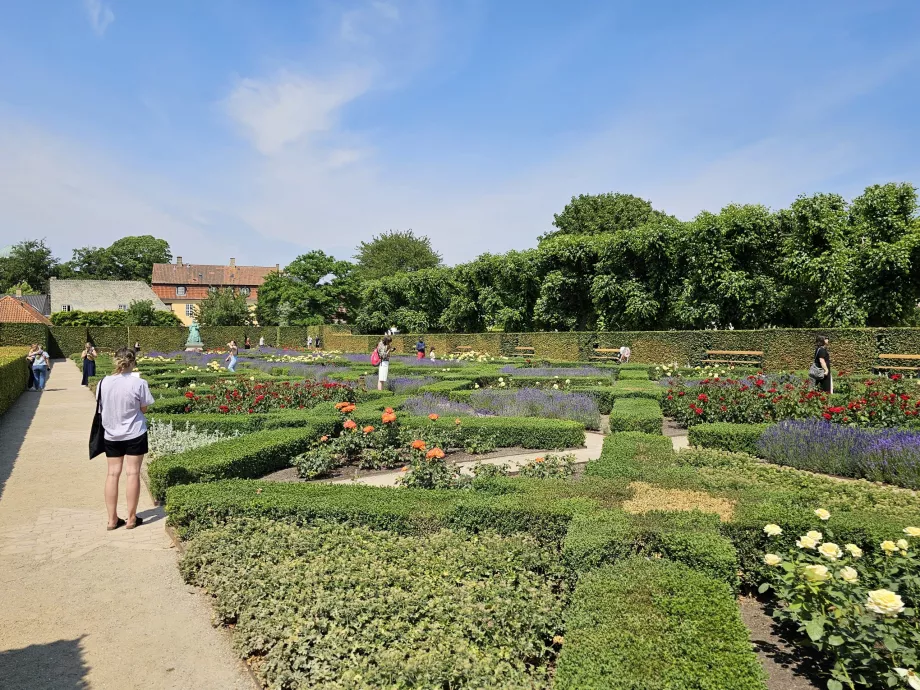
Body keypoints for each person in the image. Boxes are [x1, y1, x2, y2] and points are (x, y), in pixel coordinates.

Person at [98, 348, 155, 530]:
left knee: (112, 474)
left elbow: (101, 409)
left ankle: (112, 519)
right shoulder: (139, 383)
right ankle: (131, 518)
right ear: (133, 362)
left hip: (112, 433)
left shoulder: (103, 382)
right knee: (133, 473)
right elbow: (144, 409)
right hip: (134, 432)